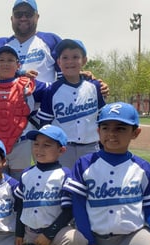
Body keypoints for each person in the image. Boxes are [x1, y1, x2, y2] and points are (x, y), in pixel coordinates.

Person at [64, 102, 150, 245]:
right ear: (98, 131)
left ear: (135, 133)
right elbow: (79, 208)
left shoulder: (144, 169)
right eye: (106, 128)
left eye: (121, 128)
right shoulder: (85, 164)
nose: (112, 134)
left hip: (133, 234)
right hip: (100, 239)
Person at [14, 125, 87, 245]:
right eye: (36, 144)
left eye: (47, 145)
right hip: (30, 232)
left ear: (61, 150)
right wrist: (19, 234)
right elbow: (21, 207)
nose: (39, 149)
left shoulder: (64, 174)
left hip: (56, 233)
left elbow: (68, 211)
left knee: (76, 239)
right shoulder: (26, 174)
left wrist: (48, 234)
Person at [37, 39, 106, 168]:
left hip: (91, 146)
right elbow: (45, 125)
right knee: (63, 183)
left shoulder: (94, 86)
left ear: (84, 60)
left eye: (75, 57)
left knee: (90, 183)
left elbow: (102, 118)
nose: (70, 61)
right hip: (63, 149)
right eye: (65, 58)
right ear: (59, 62)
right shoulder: (51, 91)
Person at [0, 45, 46, 180]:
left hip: (21, 142)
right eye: (2, 60)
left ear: (18, 65)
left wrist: (83, 77)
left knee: (19, 184)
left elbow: (55, 89)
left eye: (10, 60)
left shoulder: (28, 84)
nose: (5, 63)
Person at [0, 0, 62, 83]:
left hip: (42, 105)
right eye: (18, 14)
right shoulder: (0, 45)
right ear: (11, 18)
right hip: (5, 104)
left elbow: (66, 76)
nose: (23, 18)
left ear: (37, 17)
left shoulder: (51, 40)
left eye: (28, 14)